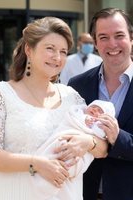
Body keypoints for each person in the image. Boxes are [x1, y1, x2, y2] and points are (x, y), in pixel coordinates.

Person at [0, 17, 108, 200]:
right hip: (13, 192)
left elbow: (102, 148)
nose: (57, 57)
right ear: (29, 50)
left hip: (63, 194)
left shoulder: (72, 97)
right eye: (50, 49)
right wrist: (36, 164)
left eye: (63, 51)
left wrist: (87, 142)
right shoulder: (0, 94)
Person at [68, 8, 133, 200]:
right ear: (95, 43)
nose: (112, 44)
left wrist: (118, 137)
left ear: (131, 38)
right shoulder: (77, 84)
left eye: (119, 35)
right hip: (84, 192)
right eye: (103, 37)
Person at [29, 100, 115, 199]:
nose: (95, 110)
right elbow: (73, 117)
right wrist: (84, 119)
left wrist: (89, 140)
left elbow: (104, 145)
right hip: (59, 141)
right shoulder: (77, 113)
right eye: (94, 107)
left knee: (68, 165)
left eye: (100, 111)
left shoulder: (73, 97)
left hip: (78, 156)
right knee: (53, 155)